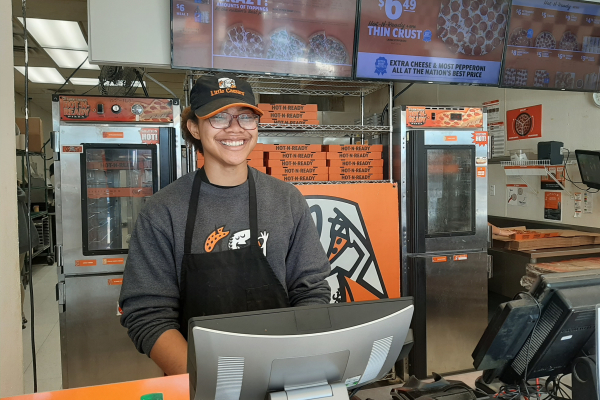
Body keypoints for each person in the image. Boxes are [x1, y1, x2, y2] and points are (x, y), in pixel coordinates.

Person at [119, 73, 332, 376]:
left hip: (281, 373)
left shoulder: (286, 200)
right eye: (219, 118)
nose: (235, 129)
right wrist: (208, 383)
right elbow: (148, 315)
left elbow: (311, 290)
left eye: (246, 117)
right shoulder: (163, 210)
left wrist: (291, 364)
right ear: (194, 127)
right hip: (197, 378)